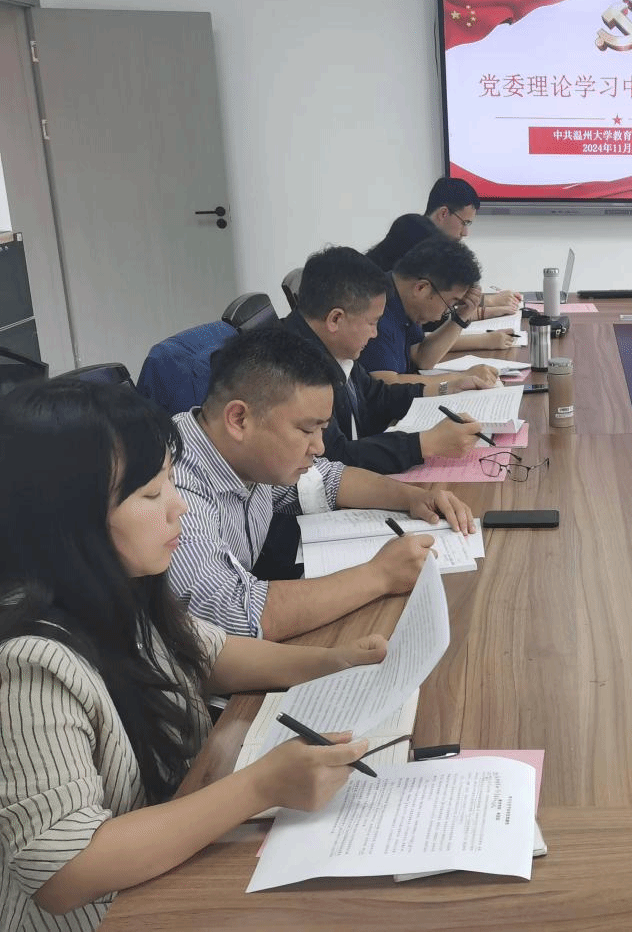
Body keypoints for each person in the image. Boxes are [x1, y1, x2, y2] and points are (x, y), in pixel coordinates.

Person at [0, 379, 392, 929]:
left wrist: (334, 662)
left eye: (171, 482)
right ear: (69, 519)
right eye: (151, 494)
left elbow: (211, 653)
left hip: (176, 843)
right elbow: (65, 873)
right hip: (115, 912)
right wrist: (259, 786)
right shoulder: (30, 666)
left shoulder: (120, 588)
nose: (178, 505)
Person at [166, 326, 475, 640]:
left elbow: (326, 479)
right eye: (306, 431)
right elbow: (234, 614)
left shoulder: (247, 456)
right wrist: (380, 575)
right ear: (239, 419)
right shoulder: (173, 489)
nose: (319, 447)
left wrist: (412, 498)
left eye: (322, 430)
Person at [282, 245, 489, 474]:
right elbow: (335, 459)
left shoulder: (332, 347)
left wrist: (447, 388)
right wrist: (425, 444)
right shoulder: (296, 371)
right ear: (335, 319)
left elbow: (376, 395)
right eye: (372, 323)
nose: (375, 334)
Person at [358, 237, 506, 382]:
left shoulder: (405, 301)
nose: (441, 316)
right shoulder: (376, 309)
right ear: (421, 288)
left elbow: (422, 358)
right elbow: (387, 383)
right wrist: (461, 379)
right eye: (449, 304)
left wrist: (461, 317)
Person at [364, 212, 518, 351]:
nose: (465, 232)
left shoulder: (402, 295)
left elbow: (419, 353)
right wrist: (483, 338)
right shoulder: (380, 306)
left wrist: (465, 314)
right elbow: (424, 340)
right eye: (464, 222)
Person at [424, 177, 522, 317]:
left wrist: (485, 301)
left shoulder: (433, 242)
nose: (465, 233)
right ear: (444, 213)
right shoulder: (419, 248)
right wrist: (491, 304)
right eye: (464, 223)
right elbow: (436, 317)